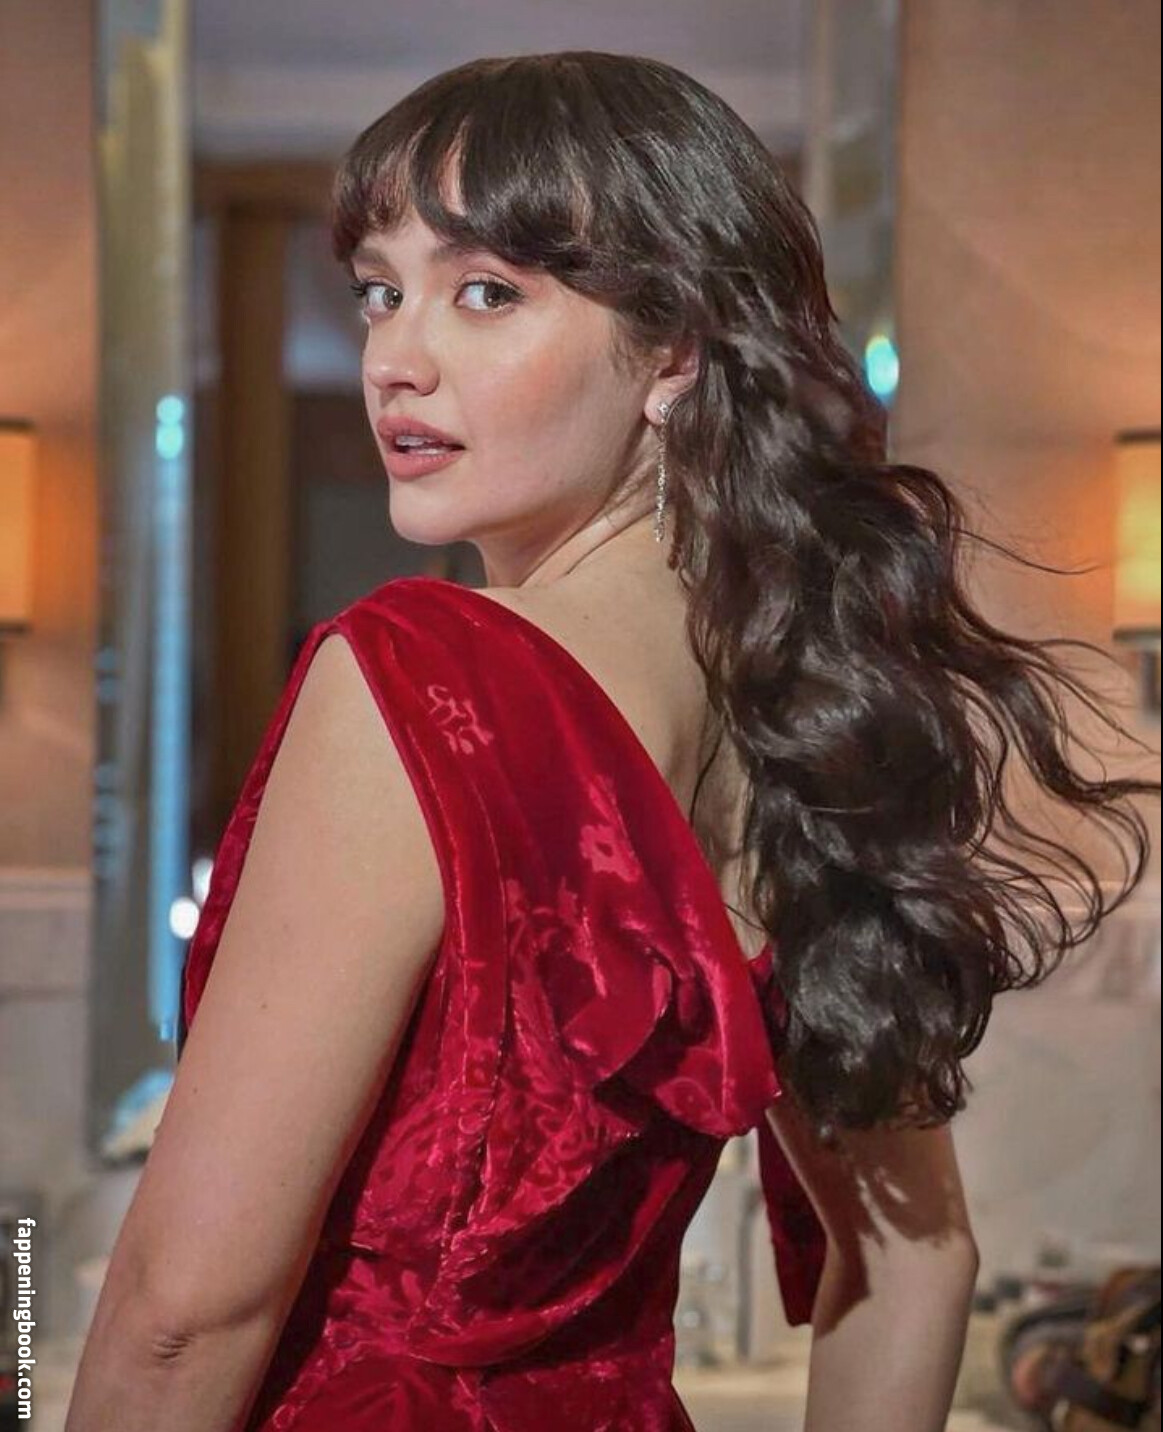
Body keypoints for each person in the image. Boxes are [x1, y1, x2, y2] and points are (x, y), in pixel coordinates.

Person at [65, 50, 1158, 1432]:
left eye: (486, 293)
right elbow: (916, 1260)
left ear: (674, 350)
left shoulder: (423, 683)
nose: (394, 359)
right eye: (381, 291)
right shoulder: (798, 724)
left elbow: (182, 1318)